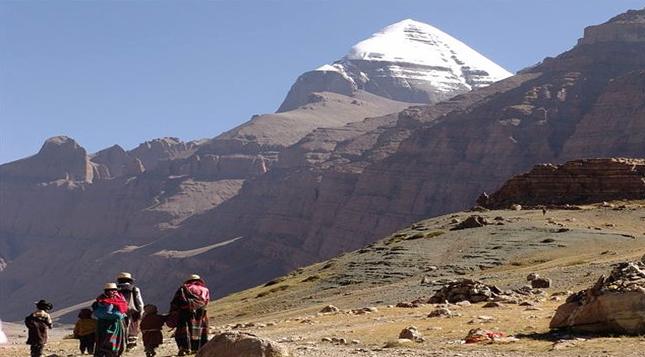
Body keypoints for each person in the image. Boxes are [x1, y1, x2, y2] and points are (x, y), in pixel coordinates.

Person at [169, 274, 210, 355]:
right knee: (199, 329)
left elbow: (175, 302)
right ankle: (198, 348)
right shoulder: (205, 289)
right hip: (200, 312)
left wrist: (173, 312)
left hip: (185, 311)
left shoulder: (184, 288)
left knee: (184, 330)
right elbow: (206, 301)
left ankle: (185, 348)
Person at [92, 283, 128, 357]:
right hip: (114, 324)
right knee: (113, 341)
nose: (111, 292)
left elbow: (95, 312)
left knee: (104, 340)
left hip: (104, 324)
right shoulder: (119, 299)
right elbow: (123, 311)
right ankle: (112, 353)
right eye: (110, 290)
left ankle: (106, 353)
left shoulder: (100, 299)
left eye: (112, 290)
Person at [115, 272, 144, 351]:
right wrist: (141, 312)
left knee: (121, 328)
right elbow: (139, 301)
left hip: (119, 312)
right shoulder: (134, 289)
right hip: (133, 311)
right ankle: (131, 344)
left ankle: (120, 344)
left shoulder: (115, 289)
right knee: (133, 328)